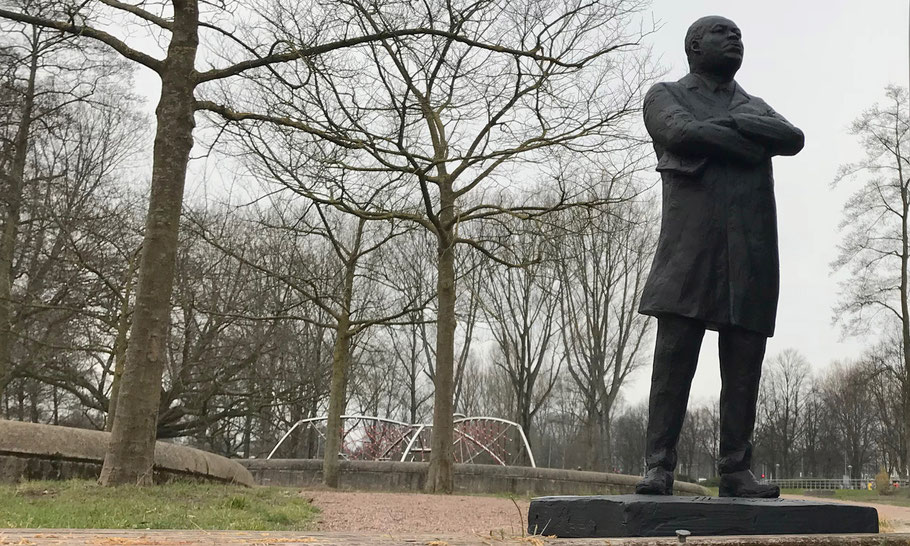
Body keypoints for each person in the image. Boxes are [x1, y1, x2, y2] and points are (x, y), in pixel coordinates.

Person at [634, 15, 804, 498]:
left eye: (740, 35)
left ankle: (736, 467)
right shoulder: (665, 93)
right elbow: (679, 134)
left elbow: (793, 139)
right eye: (722, 33)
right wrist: (747, 138)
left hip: (751, 249)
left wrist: (732, 126)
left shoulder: (754, 103)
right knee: (674, 356)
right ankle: (659, 465)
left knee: (745, 359)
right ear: (693, 45)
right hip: (691, 247)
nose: (734, 39)